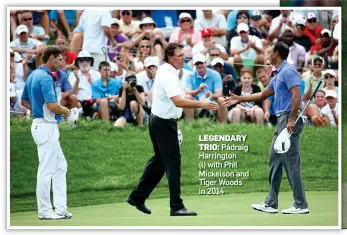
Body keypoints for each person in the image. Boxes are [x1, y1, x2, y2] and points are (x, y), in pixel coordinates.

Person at [127, 43, 219, 216]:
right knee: (173, 164)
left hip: (158, 121)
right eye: (179, 55)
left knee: (160, 162)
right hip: (163, 124)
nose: (183, 58)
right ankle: (176, 206)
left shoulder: (168, 70)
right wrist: (202, 103)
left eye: (183, 54)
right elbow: (178, 101)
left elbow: (177, 89)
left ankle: (137, 197)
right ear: (170, 58)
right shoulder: (168, 74)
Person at [224, 41, 309, 214]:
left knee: (291, 162)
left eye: (270, 52)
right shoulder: (277, 73)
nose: (267, 55)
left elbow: (296, 95)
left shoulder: (288, 70)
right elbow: (263, 94)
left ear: (277, 53)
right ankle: (271, 203)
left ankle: (300, 204)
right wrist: (239, 99)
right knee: (274, 160)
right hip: (281, 120)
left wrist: (291, 119)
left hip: (288, 119)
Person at [20, 47, 76, 220]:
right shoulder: (45, 77)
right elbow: (52, 105)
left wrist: (39, 111)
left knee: (60, 166)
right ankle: (44, 210)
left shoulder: (33, 75)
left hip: (44, 125)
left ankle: (60, 208)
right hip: (45, 127)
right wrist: (68, 112)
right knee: (46, 170)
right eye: (60, 59)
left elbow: (24, 101)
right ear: (51, 59)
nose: (62, 62)